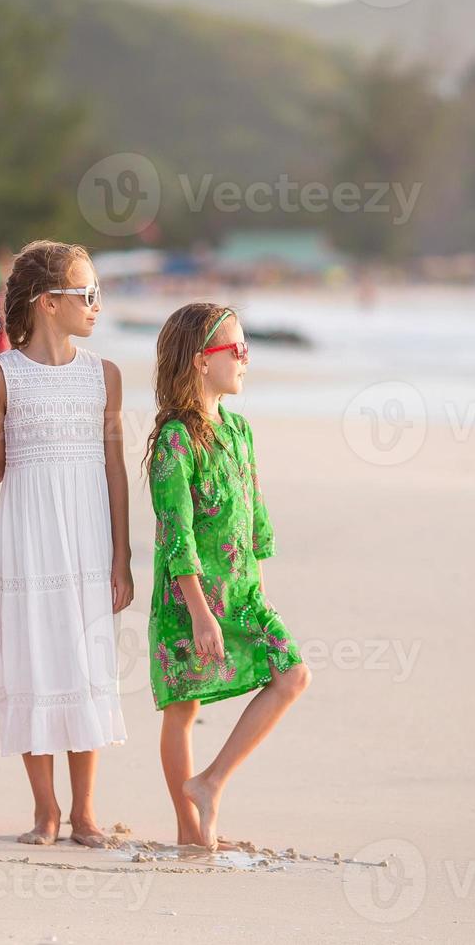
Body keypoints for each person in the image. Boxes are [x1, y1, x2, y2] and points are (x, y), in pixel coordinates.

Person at [0, 240, 132, 847]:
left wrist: (123, 556)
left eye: (97, 294)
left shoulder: (103, 376)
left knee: (86, 664)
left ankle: (86, 812)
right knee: (36, 660)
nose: (96, 305)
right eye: (85, 294)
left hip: (89, 544)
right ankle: (46, 811)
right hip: (30, 542)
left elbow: (114, 469)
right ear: (47, 303)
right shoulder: (1, 376)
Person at [145, 303, 311, 849]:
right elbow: (177, 535)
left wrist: (255, 595)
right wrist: (199, 614)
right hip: (189, 599)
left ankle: (210, 783)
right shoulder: (175, 439)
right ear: (200, 361)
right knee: (184, 706)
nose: (245, 360)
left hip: (242, 595)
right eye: (236, 350)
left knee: (292, 675)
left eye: (246, 349)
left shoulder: (239, 430)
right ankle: (188, 830)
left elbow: (254, 519)